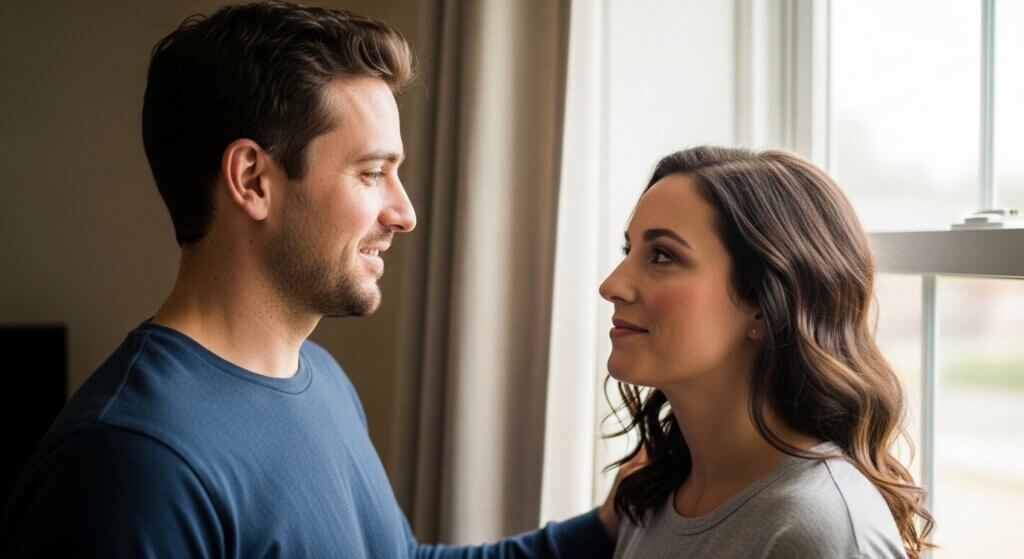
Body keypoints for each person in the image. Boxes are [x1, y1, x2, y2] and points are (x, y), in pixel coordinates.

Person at [0, 2, 619, 557]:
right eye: (372, 172)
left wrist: (607, 525)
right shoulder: (131, 461)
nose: (405, 214)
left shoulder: (320, 380)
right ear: (252, 180)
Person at [599, 146, 934, 558]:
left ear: (765, 302)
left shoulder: (821, 531)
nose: (611, 285)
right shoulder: (653, 495)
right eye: (628, 251)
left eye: (663, 255)